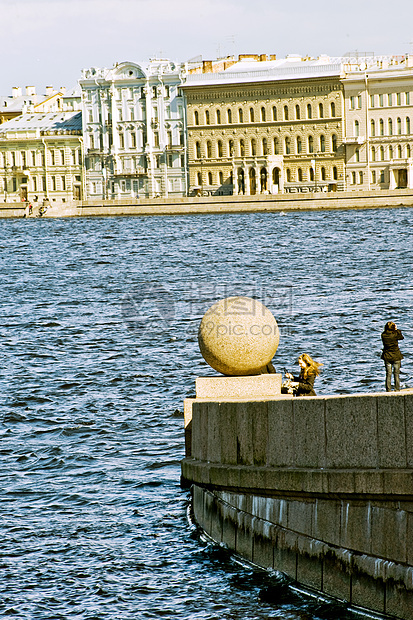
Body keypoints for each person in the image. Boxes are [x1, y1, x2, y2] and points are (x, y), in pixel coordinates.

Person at [381, 321, 404, 392]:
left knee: (388, 374)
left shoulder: (383, 335)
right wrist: (397, 330)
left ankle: (388, 390)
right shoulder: (395, 334)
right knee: (396, 374)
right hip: (396, 356)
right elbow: (401, 337)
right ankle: (397, 389)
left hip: (387, 356)